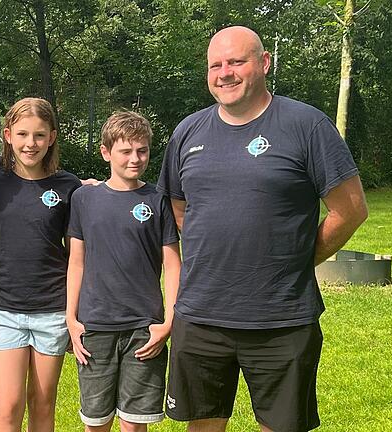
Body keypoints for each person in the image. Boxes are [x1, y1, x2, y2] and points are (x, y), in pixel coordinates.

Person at [156, 26, 368, 432]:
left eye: (236, 61)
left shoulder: (306, 125)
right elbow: (180, 208)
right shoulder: (188, 131)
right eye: (215, 64)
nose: (225, 73)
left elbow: (351, 209)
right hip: (201, 317)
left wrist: (299, 258)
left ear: (264, 63)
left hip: (281, 318)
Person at [66, 111, 181, 432]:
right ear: (106, 152)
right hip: (95, 327)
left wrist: (168, 322)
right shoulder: (84, 198)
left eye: (142, 150)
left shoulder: (158, 199)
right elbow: (76, 261)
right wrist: (71, 320)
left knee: (134, 424)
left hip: (144, 330)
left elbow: (173, 264)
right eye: (126, 151)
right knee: (96, 422)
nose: (135, 159)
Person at [0, 97, 81, 431]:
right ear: (8, 135)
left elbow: (80, 253)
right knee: (8, 408)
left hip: (52, 310)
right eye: (23, 134)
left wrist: (74, 313)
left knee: (42, 404)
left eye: (39, 135)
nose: (31, 143)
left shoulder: (69, 187)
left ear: (51, 137)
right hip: (6, 309)